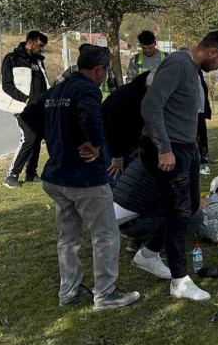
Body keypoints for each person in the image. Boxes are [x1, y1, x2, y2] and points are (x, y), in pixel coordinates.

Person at [38, 45, 140, 311]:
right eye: (105, 71)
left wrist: (56, 140)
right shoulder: (87, 89)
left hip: (57, 175)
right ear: (99, 69)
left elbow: (28, 114)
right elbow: (90, 116)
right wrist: (94, 143)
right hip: (85, 180)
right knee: (105, 235)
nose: (105, 76)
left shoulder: (58, 88)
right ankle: (105, 294)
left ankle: (69, 291)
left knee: (69, 238)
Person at [140, 30, 218, 301]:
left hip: (185, 147)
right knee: (180, 212)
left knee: (191, 208)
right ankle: (179, 280)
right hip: (169, 149)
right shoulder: (178, 64)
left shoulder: (192, 69)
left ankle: (148, 253)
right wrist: (165, 149)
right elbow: (151, 106)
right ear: (212, 52)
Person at [112, 160, 205, 278]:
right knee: (195, 216)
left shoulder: (151, 151)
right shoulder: (179, 159)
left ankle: (138, 240)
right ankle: (151, 252)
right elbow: (186, 201)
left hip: (119, 219)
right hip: (136, 221)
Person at [0, 31, 49, 189]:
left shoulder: (39, 61)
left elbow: (44, 83)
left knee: (37, 139)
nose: (41, 49)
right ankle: (11, 176)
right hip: (22, 107)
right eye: (40, 46)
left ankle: (31, 174)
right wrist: (25, 100)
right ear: (31, 43)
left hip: (39, 108)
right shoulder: (12, 59)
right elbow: (7, 85)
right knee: (28, 138)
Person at [102, 70, 154, 183]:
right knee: (115, 174)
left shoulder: (148, 97)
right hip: (111, 140)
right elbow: (113, 128)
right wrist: (116, 156)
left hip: (131, 141)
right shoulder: (126, 97)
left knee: (131, 178)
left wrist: (141, 143)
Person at [197, 75, 214, 164]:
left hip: (201, 110)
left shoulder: (198, 73)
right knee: (194, 137)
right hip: (192, 111)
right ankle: (197, 158)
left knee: (202, 134)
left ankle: (204, 156)